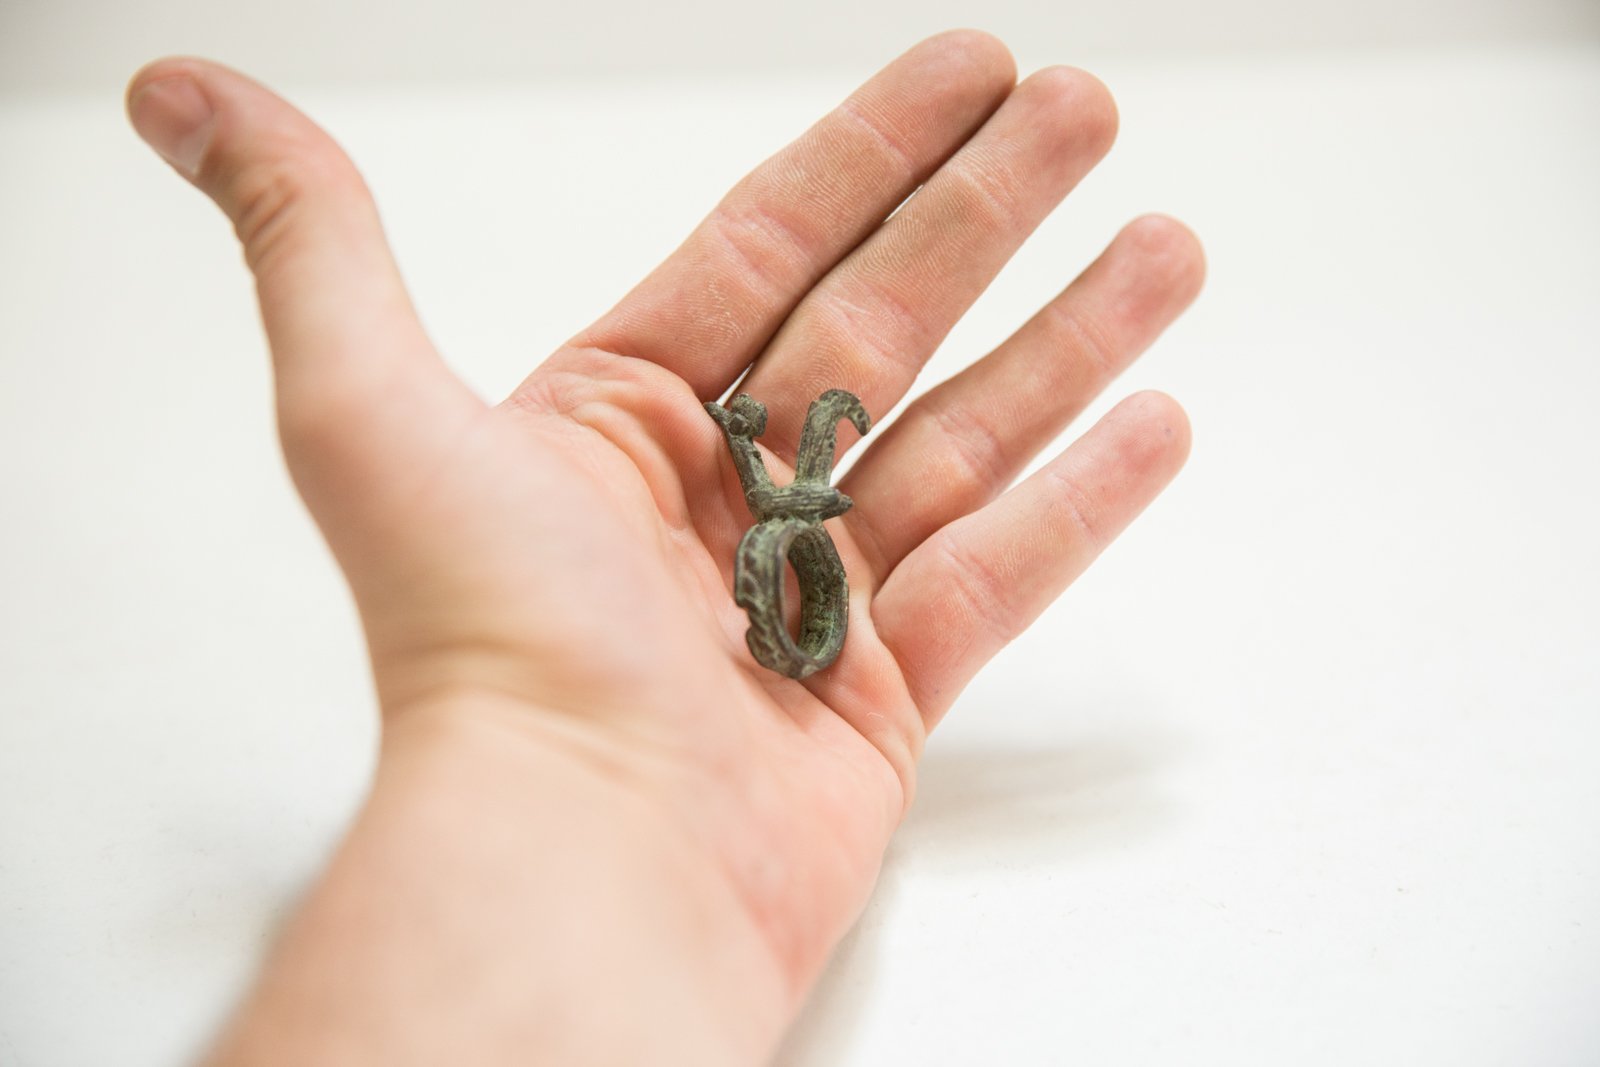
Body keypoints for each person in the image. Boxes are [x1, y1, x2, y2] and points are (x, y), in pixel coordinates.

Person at [124, 27, 1205, 1064]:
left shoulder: (793, 520)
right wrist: (570, 754)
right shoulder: (776, 528)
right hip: (770, 552)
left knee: (795, 499)